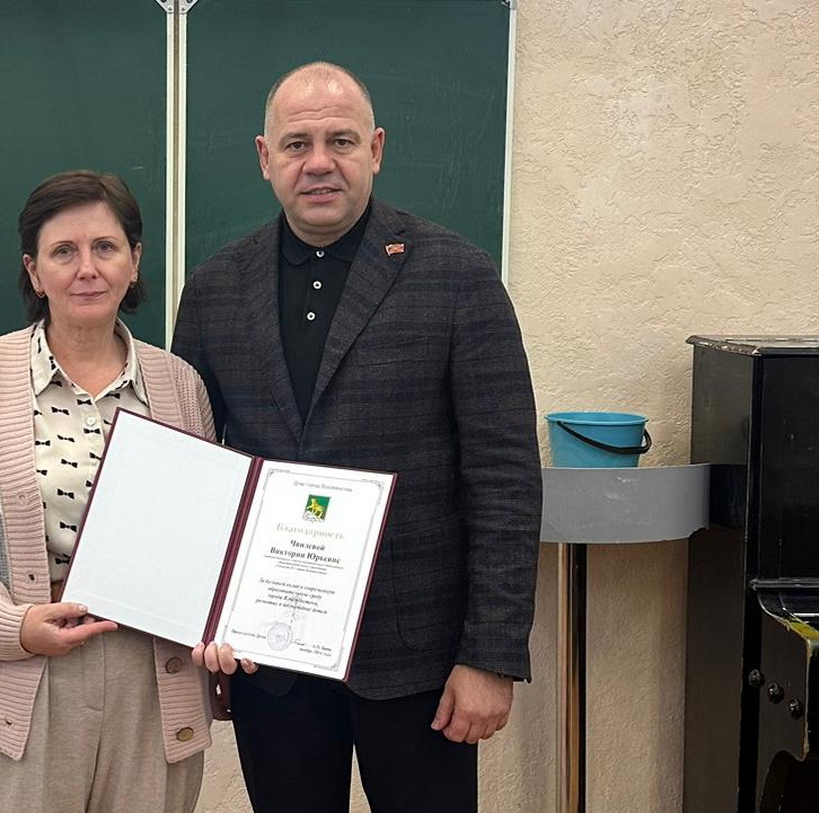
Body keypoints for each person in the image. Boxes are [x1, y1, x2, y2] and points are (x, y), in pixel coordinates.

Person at [172, 62, 542, 812]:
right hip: (269, 661)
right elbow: (198, 474)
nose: (319, 162)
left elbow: (504, 479)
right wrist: (202, 627)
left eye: (340, 141)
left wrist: (490, 657)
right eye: (297, 143)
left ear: (375, 149)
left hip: (421, 667)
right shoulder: (214, 289)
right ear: (264, 157)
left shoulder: (459, 277)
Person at [0, 170, 215, 813]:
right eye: (64, 252)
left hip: (153, 683)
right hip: (20, 682)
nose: (87, 269)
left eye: (105, 247)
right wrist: (12, 626)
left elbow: (209, 537)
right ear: (34, 272)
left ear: (134, 261)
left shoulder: (179, 386)